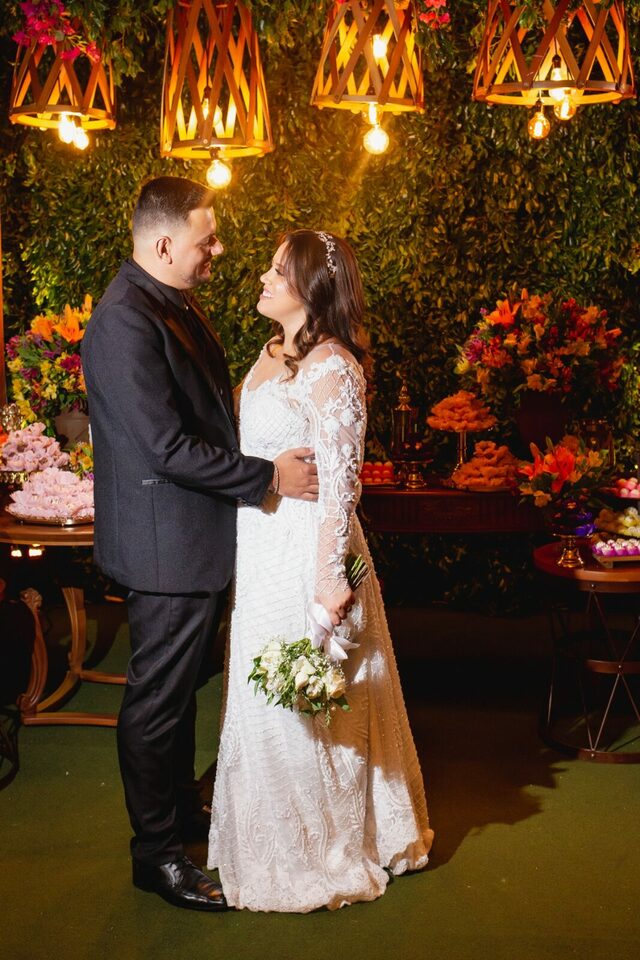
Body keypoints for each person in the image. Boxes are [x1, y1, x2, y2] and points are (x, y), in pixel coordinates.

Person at [81, 177, 318, 913]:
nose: (217, 250)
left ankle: (181, 814)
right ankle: (156, 857)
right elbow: (165, 447)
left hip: (191, 538)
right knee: (157, 702)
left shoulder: (170, 300)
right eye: (205, 240)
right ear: (163, 245)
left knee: (179, 693)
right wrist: (267, 476)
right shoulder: (124, 321)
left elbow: (208, 412)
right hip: (166, 547)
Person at [208, 229, 434, 912]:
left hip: (306, 549)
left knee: (309, 695)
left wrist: (331, 579)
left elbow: (341, 486)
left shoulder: (333, 365)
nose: (264, 278)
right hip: (260, 544)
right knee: (263, 690)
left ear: (310, 289)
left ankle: (322, 845)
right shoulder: (269, 352)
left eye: (279, 271)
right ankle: (266, 836)